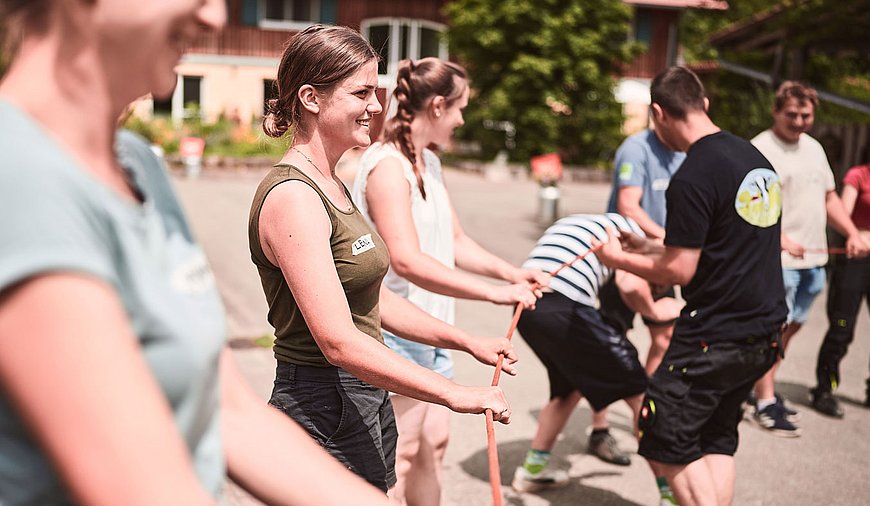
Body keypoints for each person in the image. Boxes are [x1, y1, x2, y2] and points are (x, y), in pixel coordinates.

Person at [0, 2, 391, 505]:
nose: (215, 16)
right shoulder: (18, 178)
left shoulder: (137, 163)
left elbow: (227, 410)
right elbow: (133, 484)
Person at [249, 25, 518, 494]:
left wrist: (465, 341)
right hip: (321, 402)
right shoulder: (294, 196)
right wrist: (453, 392)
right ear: (312, 98)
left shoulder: (331, 181)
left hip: (356, 395)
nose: (377, 106)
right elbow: (338, 341)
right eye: (362, 93)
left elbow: (370, 300)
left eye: (377, 92)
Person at [350, 57, 547, 505]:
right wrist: (496, 295)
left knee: (433, 448)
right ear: (437, 106)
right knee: (397, 458)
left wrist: (511, 273)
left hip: (435, 333)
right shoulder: (387, 167)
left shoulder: (429, 163)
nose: (462, 119)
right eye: (460, 108)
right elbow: (407, 260)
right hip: (401, 333)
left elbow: (454, 239)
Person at [595, 66, 786, 506]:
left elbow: (679, 272)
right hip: (764, 331)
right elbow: (723, 243)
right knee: (716, 437)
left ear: (658, 113)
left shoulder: (693, 174)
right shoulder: (754, 159)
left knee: (663, 428)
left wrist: (616, 259)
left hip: (714, 336)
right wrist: (645, 245)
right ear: (705, 103)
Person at [509, 213, 682, 494]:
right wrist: (654, 309)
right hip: (567, 306)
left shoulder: (585, 222)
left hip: (527, 307)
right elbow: (630, 285)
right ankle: (671, 491)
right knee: (641, 395)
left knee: (567, 389)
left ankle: (532, 472)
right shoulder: (630, 233)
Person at [750, 81, 870, 435]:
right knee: (772, 331)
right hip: (779, 262)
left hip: (814, 260)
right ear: (776, 111)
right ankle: (763, 402)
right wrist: (780, 238)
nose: (799, 121)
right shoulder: (760, 149)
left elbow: (830, 198)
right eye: (791, 114)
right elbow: (751, 208)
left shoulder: (814, 149)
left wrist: (852, 232)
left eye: (806, 115)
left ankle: (763, 386)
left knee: (792, 328)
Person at [606, 111, 685, 506]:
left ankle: (648, 406)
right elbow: (629, 207)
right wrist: (671, 239)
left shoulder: (685, 151)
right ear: (660, 114)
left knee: (665, 334)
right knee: (609, 344)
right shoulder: (635, 148)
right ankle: (600, 426)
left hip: (664, 259)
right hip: (625, 256)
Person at [811, 124, 870, 418]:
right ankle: (824, 388)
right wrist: (861, 240)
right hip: (858, 257)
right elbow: (843, 215)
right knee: (842, 328)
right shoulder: (858, 176)